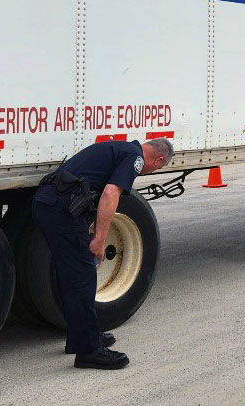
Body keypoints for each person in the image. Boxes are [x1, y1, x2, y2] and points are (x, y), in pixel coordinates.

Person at [32, 137, 174, 369]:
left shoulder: (121, 148)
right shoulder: (135, 158)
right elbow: (110, 194)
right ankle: (88, 351)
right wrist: (99, 239)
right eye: (158, 167)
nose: (151, 170)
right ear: (158, 160)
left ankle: (81, 338)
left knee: (73, 276)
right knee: (82, 278)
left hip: (49, 205)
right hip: (61, 212)